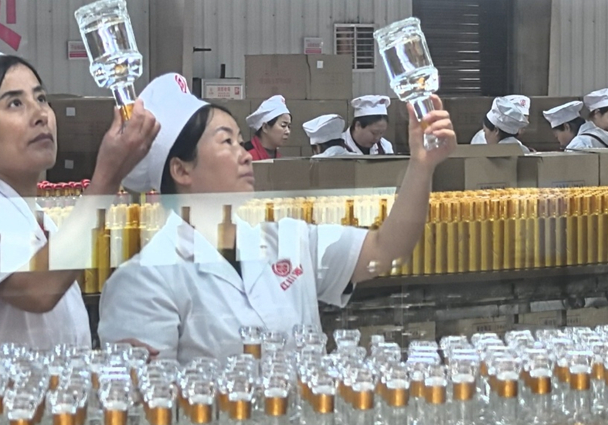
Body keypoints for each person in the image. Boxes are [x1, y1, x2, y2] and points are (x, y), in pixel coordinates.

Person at [98, 73, 456, 364]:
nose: (245, 155)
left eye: (241, 142)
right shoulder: (143, 283)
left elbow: (385, 250)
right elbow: (153, 410)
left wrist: (421, 167)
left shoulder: (287, 239)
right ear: (181, 170)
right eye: (226, 142)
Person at [0, 36, 159, 350]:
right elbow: (37, 290)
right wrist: (108, 178)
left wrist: (104, 358)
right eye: (15, 103)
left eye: (41, 98)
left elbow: (43, 340)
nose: (41, 114)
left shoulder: (41, 223)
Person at [242, 95, 291, 161]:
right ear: (265, 127)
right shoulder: (246, 156)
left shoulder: (278, 157)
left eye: (289, 126)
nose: (288, 131)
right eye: (283, 125)